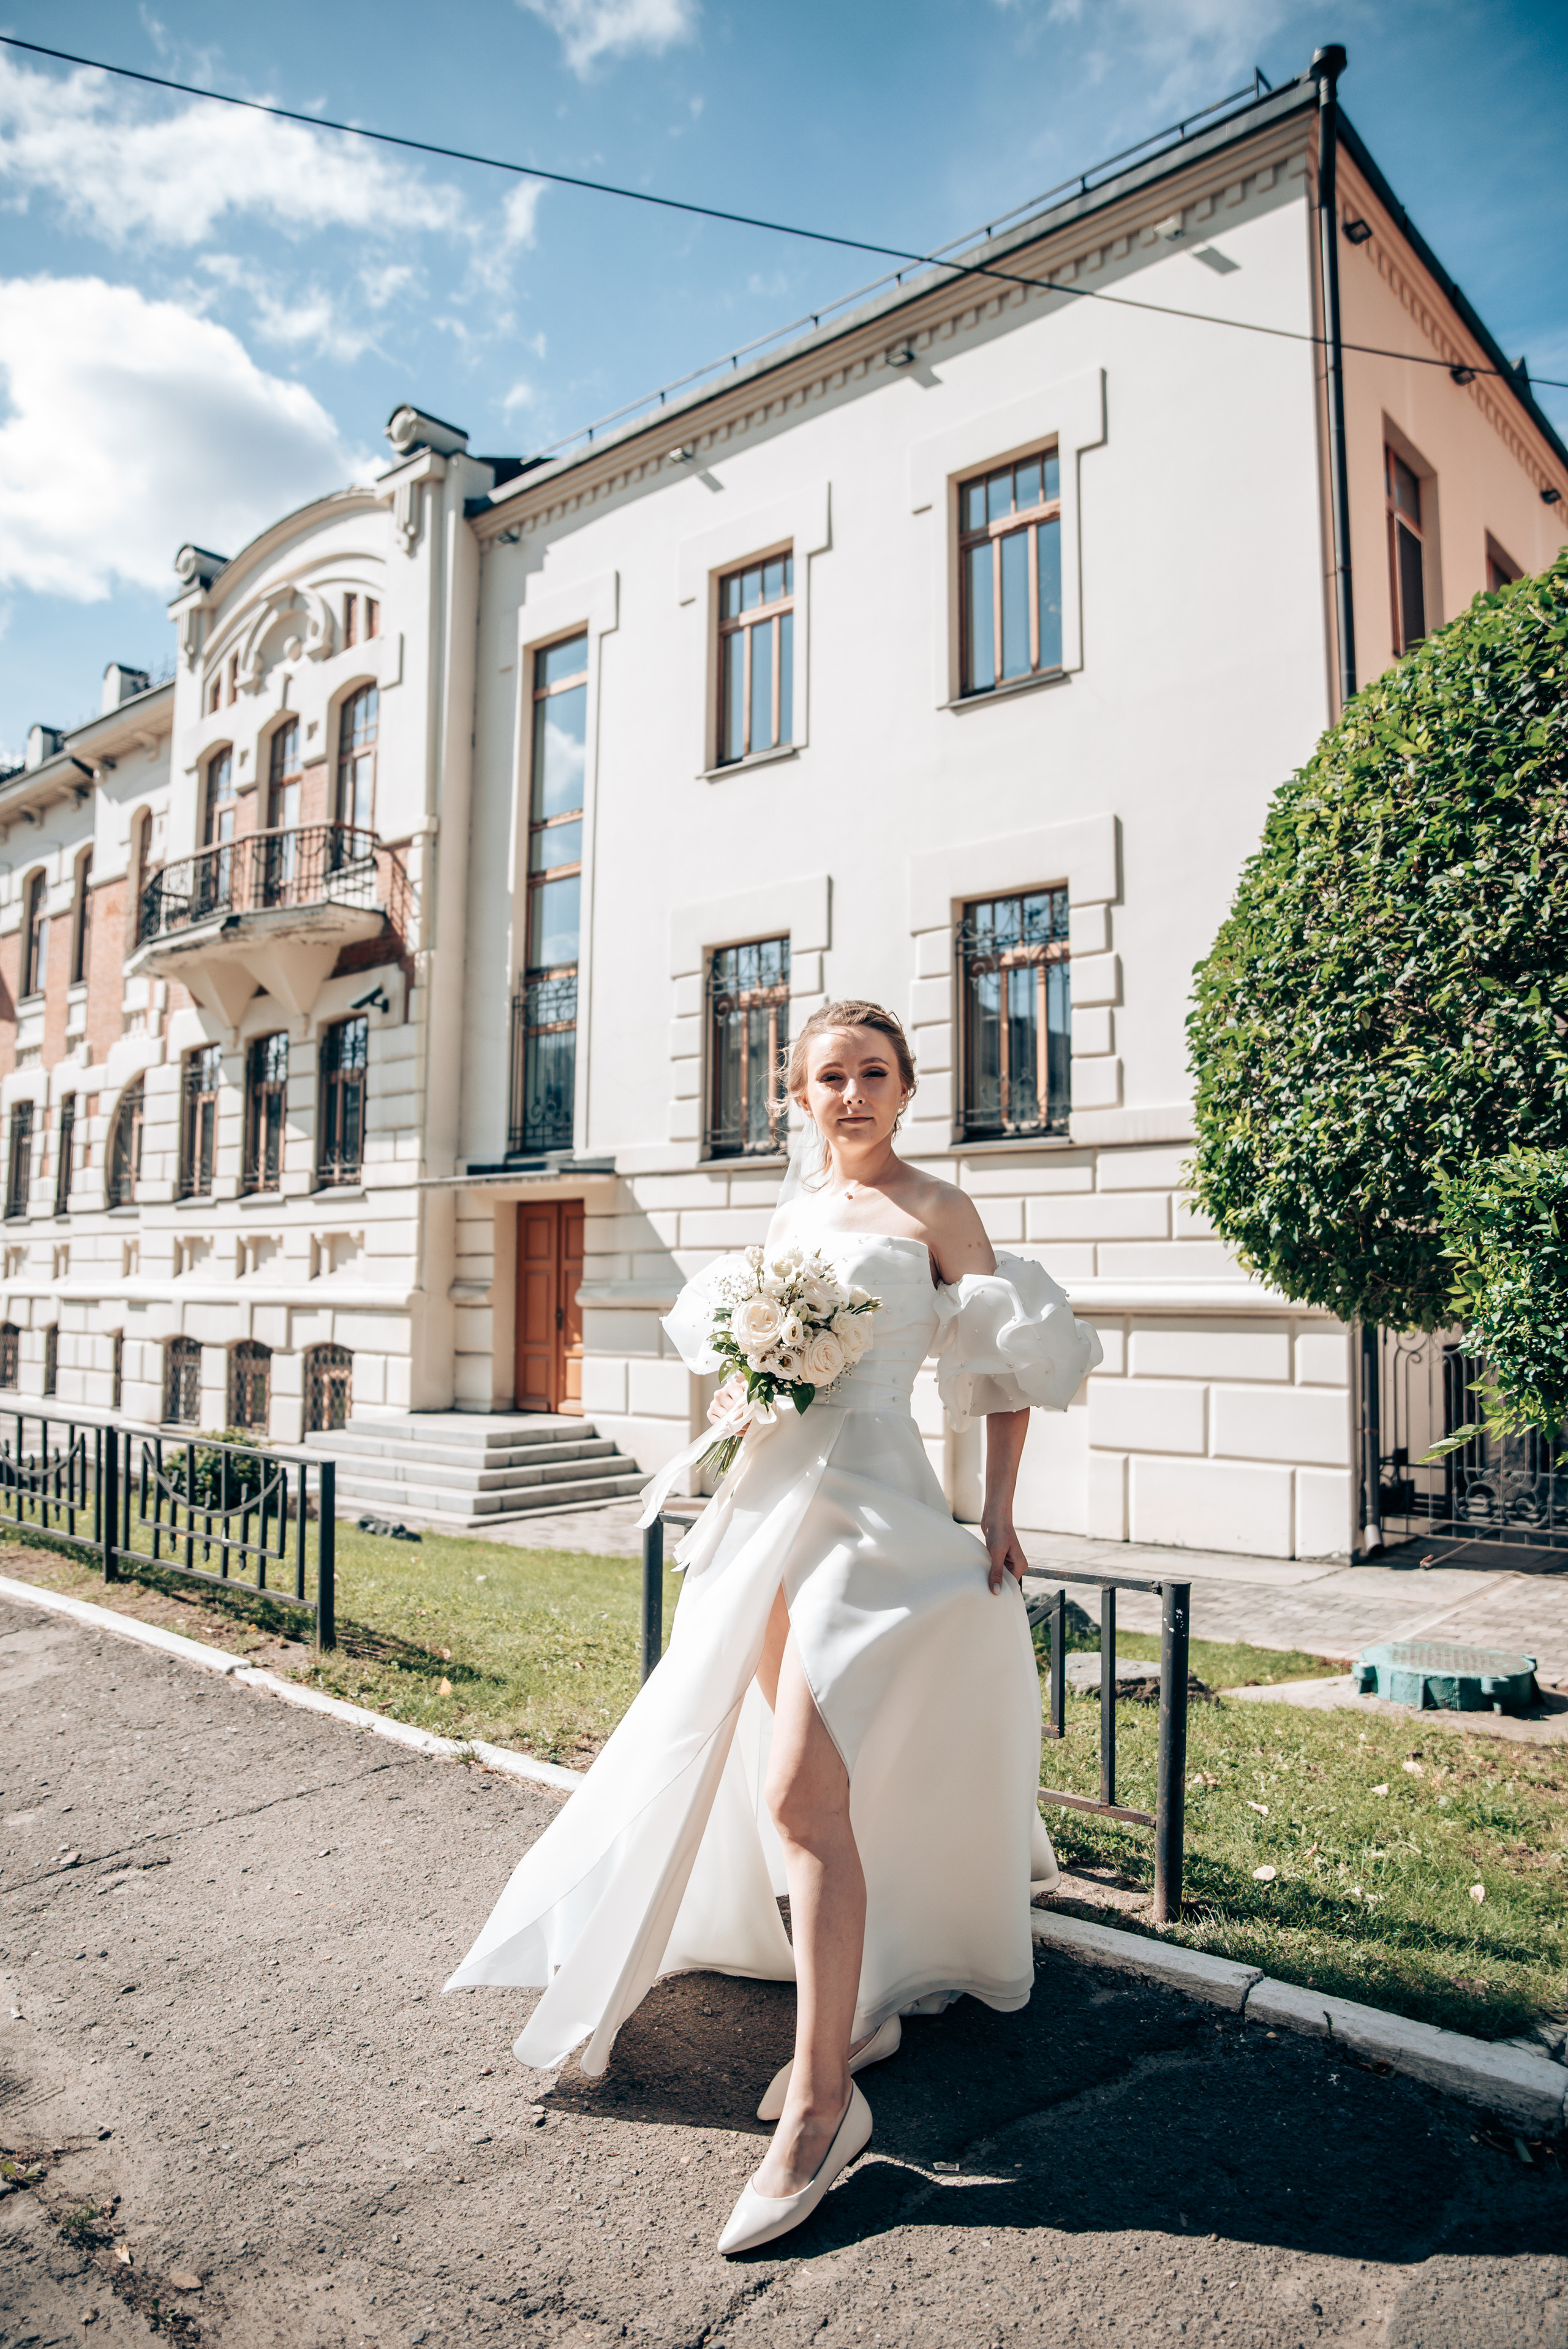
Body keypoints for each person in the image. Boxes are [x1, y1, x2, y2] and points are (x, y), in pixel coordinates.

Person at [445, 1000, 1101, 2255]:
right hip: (767, 1512)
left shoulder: (937, 1211)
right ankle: (850, 2016)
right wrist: (749, 1409)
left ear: (906, 1089)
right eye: (825, 1078)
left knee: (805, 1793)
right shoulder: (793, 1216)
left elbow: (1005, 1369)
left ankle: (818, 2108)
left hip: (877, 1518)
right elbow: (762, 1367)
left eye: (870, 1074)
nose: (848, 1095)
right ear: (796, 1097)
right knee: (781, 1784)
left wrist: (1000, 1515)